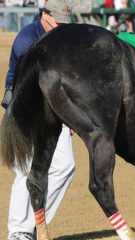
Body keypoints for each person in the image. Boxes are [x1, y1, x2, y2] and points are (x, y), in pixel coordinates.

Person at [2, 1, 76, 240]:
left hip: (54, 109)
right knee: (26, 169)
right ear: (44, 14)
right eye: (56, 21)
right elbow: (27, 87)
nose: (60, 26)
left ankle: (35, 226)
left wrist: (71, 113)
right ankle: (19, 231)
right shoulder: (28, 39)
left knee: (65, 167)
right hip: (25, 108)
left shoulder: (62, 37)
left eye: (64, 22)